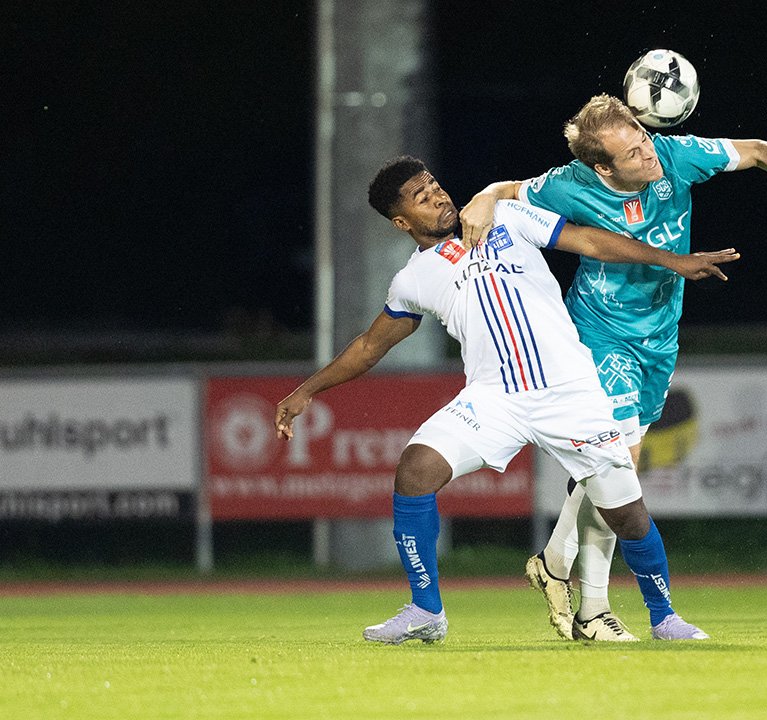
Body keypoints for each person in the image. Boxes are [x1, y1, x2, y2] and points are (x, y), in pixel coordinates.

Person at [275, 156, 740, 642]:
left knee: (624, 512)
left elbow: (587, 240)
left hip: (569, 391)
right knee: (415, 469)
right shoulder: (412, 280)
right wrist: (306, 391)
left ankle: (664, 618)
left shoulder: (505, 216)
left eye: (434, 184)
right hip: (495, 398)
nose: (437, 196)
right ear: (401, 222)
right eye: (421, 196)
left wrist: (672, 260)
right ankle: (426, 610)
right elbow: (370, 347)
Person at [460, 94, 767, 641]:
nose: (647, 154)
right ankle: (585, 586)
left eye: (643, 138)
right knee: (618, 462)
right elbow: (507, 189)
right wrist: (485, 196)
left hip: (660, 339)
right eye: (631, 152)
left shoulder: (674, 156)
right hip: (600, 334)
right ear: (601, 167)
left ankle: (572, 583)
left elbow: (759, 150)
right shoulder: (569, 185)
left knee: (616, 472)